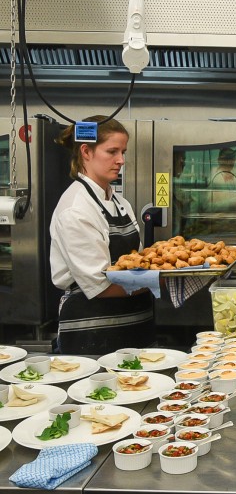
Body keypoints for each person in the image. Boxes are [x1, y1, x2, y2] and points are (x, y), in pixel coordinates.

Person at [50, 115, 154, 354]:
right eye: (112, 152)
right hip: (92, 329)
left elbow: (137, 264)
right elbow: (100, 287)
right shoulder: (76, 209)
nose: (121, 160)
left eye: (123, 152)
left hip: (135, 326)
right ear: (86, 152)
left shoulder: (119, 203)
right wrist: (158, 282)